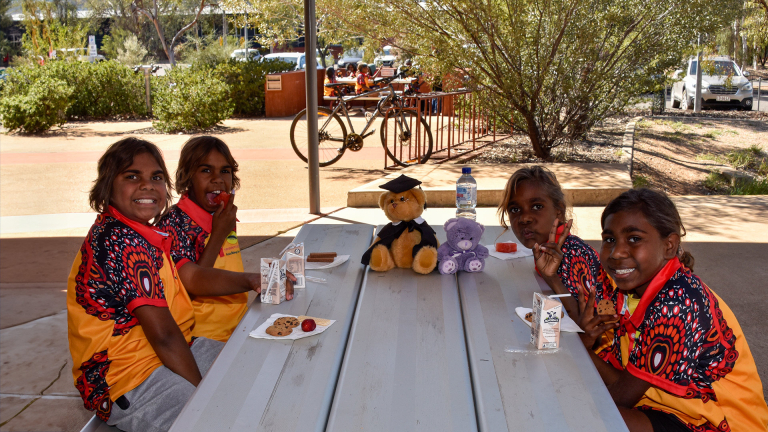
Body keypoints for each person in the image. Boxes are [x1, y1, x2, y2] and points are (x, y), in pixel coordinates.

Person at [67, 137, 293, 432]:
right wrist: (205, 395)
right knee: (211, 420)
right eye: (132, 176)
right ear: (108, 185)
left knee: (257, 368)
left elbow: (190, 278)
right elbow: (163, 335)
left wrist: (251, 279)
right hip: (128, 375)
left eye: (156, 177)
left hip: (174, 347)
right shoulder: (119, 240)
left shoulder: (141, 234)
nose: (147, 185)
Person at [578, 188, 768, 432]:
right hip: (664, 405)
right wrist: (584, 347)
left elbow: (619, 398)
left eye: (634, 238)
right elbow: (624, 380)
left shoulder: (677, 304)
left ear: (669, 245)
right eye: (609, 239)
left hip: (716, 420)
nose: (616, 253)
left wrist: (580, 352)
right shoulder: (621, 290)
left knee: (585, 415)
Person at [156, 136, 259, 342]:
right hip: (199, 338)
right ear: (188, 177)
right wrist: (218, 234)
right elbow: (189, 289)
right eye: (206, 170)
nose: (217, 178)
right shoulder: (173, 224)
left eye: (225, 171)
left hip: (237, 327)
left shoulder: (223, 214)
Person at [497, 166, 608, 318]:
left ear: (559, 212)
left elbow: (588, 326)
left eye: (536, 207)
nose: (524, 218)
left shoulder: (573, 255)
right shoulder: (546, 250)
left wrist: (552, 279)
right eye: (515, 209)